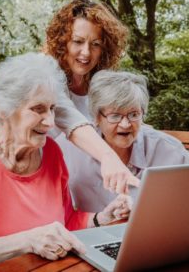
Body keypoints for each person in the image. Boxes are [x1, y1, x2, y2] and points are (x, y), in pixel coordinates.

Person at [0, 53, 132, 266]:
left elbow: (67, 221)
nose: (50, 122)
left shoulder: (51, 152)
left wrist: (102, 217)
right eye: (38, 109)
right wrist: (28, 241)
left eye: (53, 109)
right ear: (3, 110)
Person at [57, 70, 189, 212]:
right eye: (115, 116)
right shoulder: (68, 148)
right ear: (96, 117)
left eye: (133, 114)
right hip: (91, 230)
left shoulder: (169, 150)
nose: (125, 124)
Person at [44, 0, 139, 192]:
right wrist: (108, 157)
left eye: (95, 44)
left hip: (90, 182)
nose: (86, 53)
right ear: (62, 42)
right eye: (77, 42)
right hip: (50, 181)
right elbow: (68, 117)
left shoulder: (100, 83)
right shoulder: (48, 75)